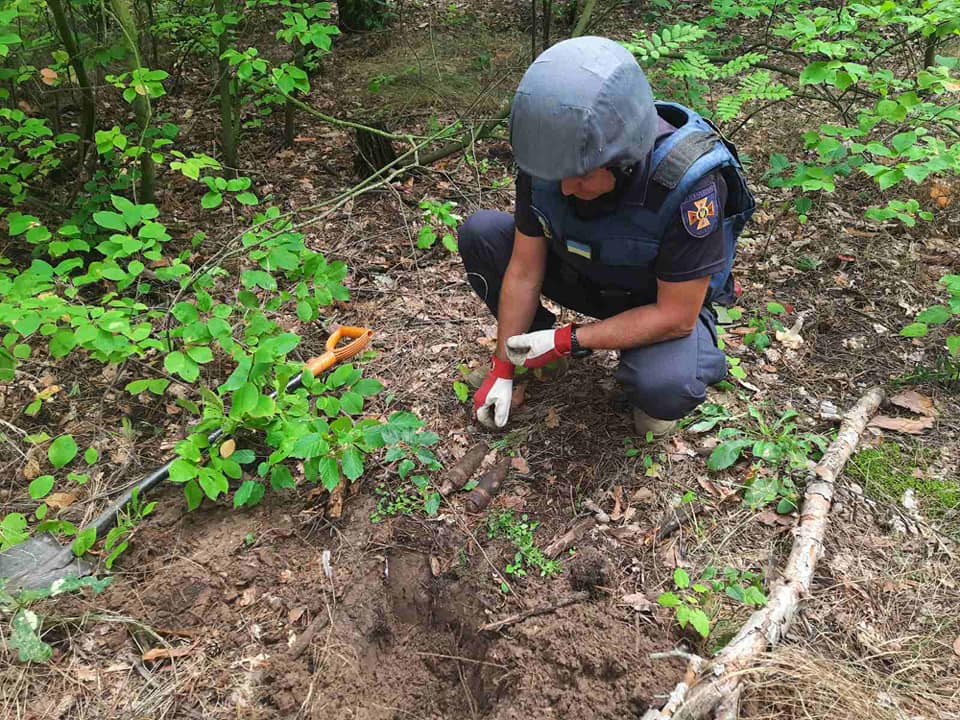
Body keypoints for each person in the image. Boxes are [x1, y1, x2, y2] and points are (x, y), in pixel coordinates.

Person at [459, 36, 755, 436]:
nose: (563, 189)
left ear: (623, 159)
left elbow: (676, 316)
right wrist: (503, 368)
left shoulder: (687, 184)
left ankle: (668, 369)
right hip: (586, 273)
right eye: (555, 177)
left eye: (579, 177)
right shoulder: (552, 158)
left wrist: (568, 339)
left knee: (664, 387)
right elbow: (525, 269)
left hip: (656, 300)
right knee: (482, 233)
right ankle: (534, 356)